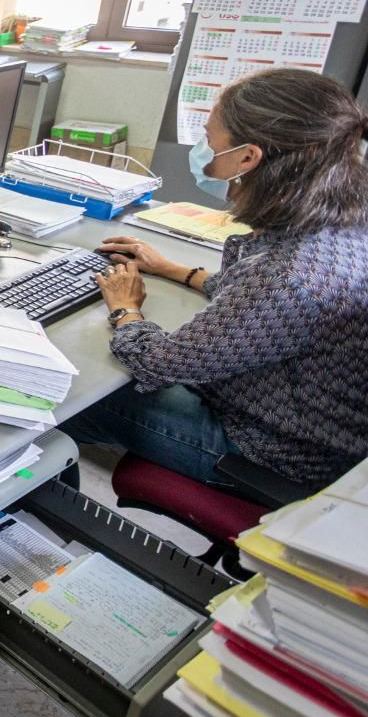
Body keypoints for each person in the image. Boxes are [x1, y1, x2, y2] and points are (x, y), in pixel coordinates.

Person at [72, 68, 368, 491]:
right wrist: (174, 269)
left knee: (74, 392)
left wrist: (125, 308)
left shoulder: (292, 275)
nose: (204, 149)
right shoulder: (340, 214)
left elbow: (156, 363)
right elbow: (257, 306)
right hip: (306, 423)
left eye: (210, 138)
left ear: (249, 157)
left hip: (268, 449)